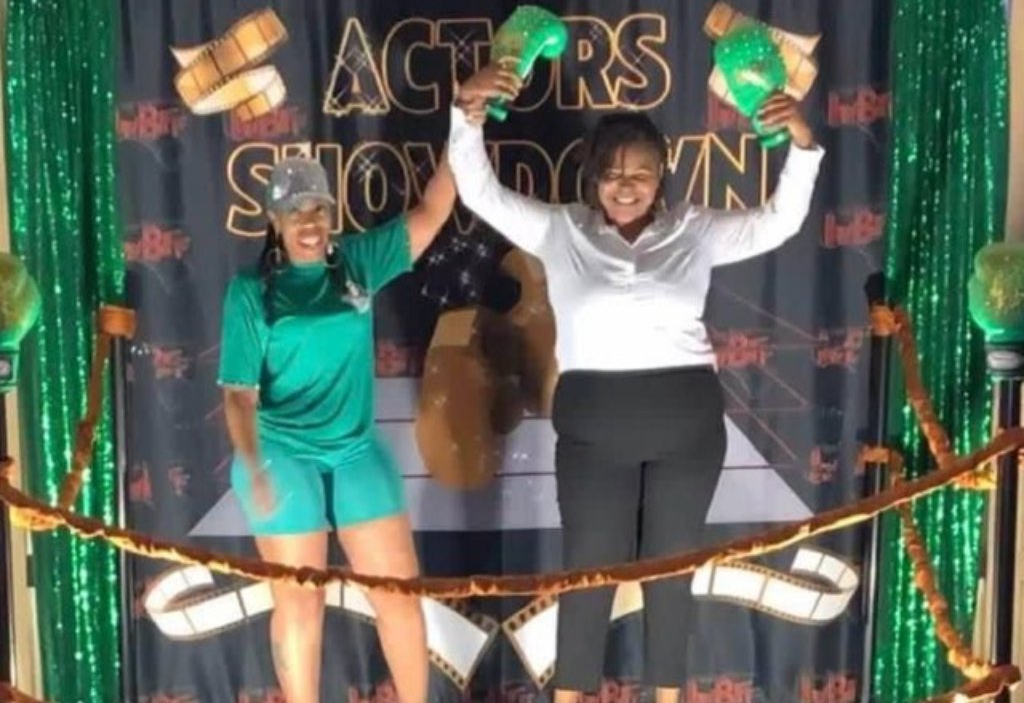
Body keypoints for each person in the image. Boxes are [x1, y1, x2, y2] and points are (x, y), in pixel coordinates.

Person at [447, 63, 823, 703]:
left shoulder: (694, 230)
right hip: (594, 430)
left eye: (641, 173)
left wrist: (803, 144)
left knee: (669, 575)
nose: (627, 186)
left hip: (687, 430)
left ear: (661, 177)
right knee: (588, 575)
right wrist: (466, 113)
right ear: (593, 177)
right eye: (614, 173)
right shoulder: (560, 228)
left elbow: (779, 222)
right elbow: (480, 192)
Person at [218, 155, 456, 703]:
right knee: (302, 600)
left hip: (353, 450)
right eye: (294, 211)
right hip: (280, 451)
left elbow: (435, 208)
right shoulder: (253, 290)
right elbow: (237, 395)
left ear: (331, 213)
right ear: (275, 222)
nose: (308, 222)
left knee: (398, 595)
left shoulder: (356, 262)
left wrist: (466, 124)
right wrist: (253, 466)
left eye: (318, 209)